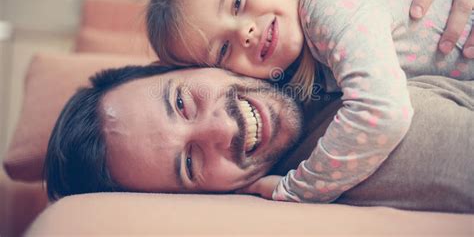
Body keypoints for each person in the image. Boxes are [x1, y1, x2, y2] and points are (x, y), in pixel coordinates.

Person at [145, 0, 474, 203]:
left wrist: (299, 188)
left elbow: (382, 112)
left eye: (237, 2)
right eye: (223, 50)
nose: (244, 32)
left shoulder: (324, 2)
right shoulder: (306, 78)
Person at [43, 65, 474, 213]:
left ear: (189, 63)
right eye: (189, 165)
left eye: (180, 102)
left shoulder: (299, 40)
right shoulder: (372, 150)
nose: (224, 129)